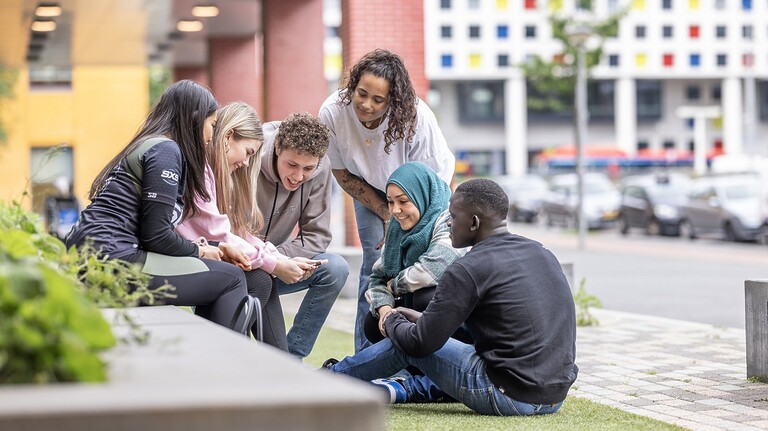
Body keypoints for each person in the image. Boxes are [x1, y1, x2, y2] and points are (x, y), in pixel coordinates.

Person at [325, 178, 578, 416]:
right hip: (554, 397)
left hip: (509, 395)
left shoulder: (468, 268)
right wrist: (418, 319)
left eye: (453, 217)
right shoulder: (541, 252)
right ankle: (408, 387)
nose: (447, 223)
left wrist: (391, 318)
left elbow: (418, 344)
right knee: (421, 331)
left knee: (404, 344)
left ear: (474, 223)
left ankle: (324, 381)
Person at [65, 80, 254, 333]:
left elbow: (151, 231)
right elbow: (155, 236)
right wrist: (200, 252)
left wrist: (213, 247)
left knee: (218, 274)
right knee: (231, 279)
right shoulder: (166, 150)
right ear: (195, 119)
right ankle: (215, 366)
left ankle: (203, 361)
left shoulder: (151, 144)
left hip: (96, 255)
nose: (211, 136)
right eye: (212, 125)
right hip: (112, 260)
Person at [319, 48, 455, 352]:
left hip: (422, 193)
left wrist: (400, 216)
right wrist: (382, 209)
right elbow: (343, 175)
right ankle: (363, 356)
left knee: (420, 265)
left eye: (378, 100)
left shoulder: (416, 118)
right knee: (374, 265)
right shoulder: (332, 111)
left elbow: (434, 185)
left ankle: (422, 352)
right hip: (367, 186)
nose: (366, 105)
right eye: (361, 93)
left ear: (393, 101)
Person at [175, 101, 292, 351]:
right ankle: (221, 357)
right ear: (229, 136)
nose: (248, 163)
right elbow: (219, 234)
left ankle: (280, 367)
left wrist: (273, 256)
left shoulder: (213, 173)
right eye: (248, 152)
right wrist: (274, 263)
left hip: (195, 254)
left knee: (260, 277)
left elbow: (234, 233)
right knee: (258, 277)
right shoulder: (199, 170)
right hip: (180, 255)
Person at [257, 112, 348, 358]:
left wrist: (279, 260)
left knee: (335, 269)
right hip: (235, 264)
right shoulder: (249, 154)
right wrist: (271, 261)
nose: (298, 177)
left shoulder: (321, 167)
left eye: (308, 168)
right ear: (277, 148)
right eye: (292, 165)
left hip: (273, 264)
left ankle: (294, 357)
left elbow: (317, 237)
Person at [363, 162, 469, 347]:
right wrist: (385, 309)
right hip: (417, 322)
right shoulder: (397, 230)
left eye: (403, 201)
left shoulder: (449, 221)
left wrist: (394, 286)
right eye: (390, 202)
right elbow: (376, 278)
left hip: (460, 321)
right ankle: (409, 370)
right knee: (373, 322)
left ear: (423, 195)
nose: (395, 210)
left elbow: (431, 269)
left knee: (425, 298)